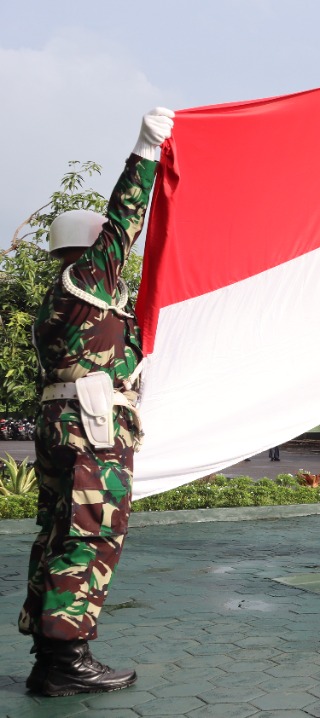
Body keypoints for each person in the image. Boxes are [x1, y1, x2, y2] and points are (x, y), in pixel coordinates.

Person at [21, 107, 174, 696]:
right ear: (89, 251)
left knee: (60, 531)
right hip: (90, 429)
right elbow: (123, 221)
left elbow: (118, 359)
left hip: (68, 421)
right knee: (89, 535)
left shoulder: (69, 300)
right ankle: (67, 660)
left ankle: (49, 655)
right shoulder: (89, 277)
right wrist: (145, 152)